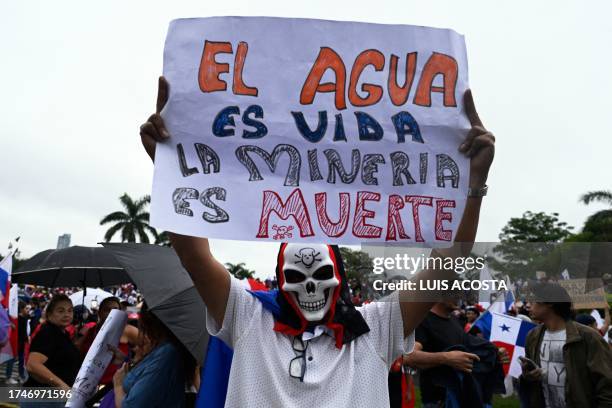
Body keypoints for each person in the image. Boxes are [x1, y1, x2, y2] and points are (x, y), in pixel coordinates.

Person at [138, 76, 495, 406]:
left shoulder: (376, 328)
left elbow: (444, 270)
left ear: (338, 277)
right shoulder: (249, 318)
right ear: (280, 281)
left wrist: (474, 185)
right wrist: (170, 168)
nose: (310, 286)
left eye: (320, 273)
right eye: (296, 276)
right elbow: (194, 258)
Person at [520, 282, 612, 408]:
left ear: (550, 302)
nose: (528, 305)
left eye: (532, 300)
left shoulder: (588, 337)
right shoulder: (533, 336)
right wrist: (528, 376)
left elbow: (606, 385)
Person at [404, 299, 508, 407]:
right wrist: (446, 358)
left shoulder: (454, 320)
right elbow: (408, 356)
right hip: (438, 401)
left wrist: (494, 353)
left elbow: (467, 347)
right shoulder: (422, 320)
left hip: (462, 397)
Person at [112, 302, 196, 408]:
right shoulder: (162, 350)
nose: (141, 338)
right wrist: (125, 360)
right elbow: (147, 373)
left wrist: (118, 386)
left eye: (143, 328)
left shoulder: (167, 353)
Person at [23, 294, 81, 407]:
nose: (66, 314)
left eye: (70, 311)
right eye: (60, 311)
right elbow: (32, 365)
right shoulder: (48, 332)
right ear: (49, 314)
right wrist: (61, 385)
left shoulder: (63, 333)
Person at [77, 296, 139, 386]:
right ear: (99, 312)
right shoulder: (91, 331)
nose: (111, 312)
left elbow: (148, 349)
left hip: (114, 388)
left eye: (115, 309)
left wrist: (129, 362)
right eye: (107, 309)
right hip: (88, 386)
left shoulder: (126, 330)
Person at [5, 301, 29, 383]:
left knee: (22, 360)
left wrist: (26, 338)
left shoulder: (25, 318)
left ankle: (21, 375)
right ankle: (8, 377)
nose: (28, 310)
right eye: (26, 308)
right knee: (11, 359)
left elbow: (24, 331)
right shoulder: (15, 319)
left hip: (22, 342)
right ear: (21, 309)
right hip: (15, 342)